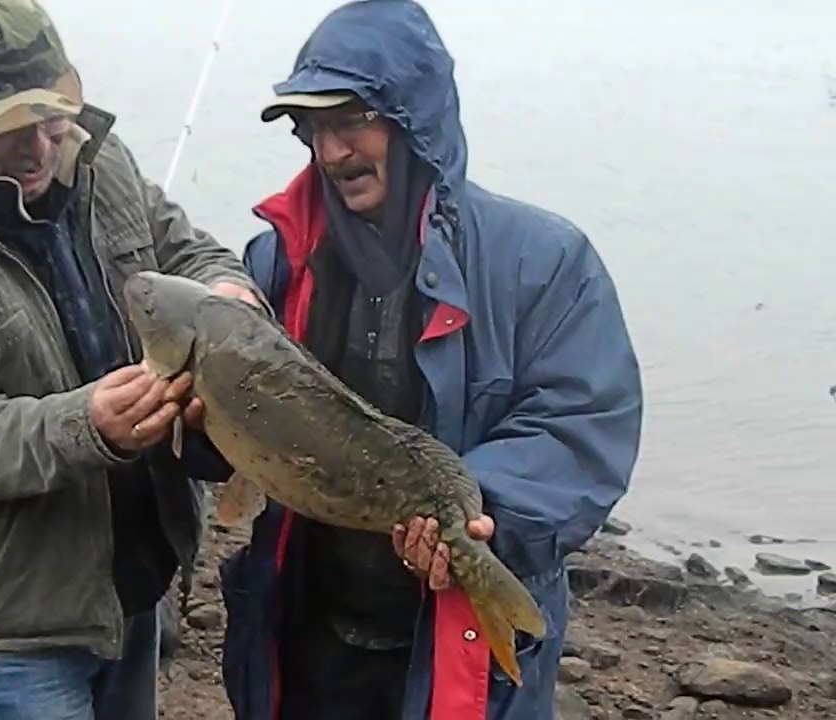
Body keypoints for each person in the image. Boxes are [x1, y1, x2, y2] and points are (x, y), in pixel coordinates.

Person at [213, 2, 644, 719]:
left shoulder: (543, 261)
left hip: (449, 645)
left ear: (414, 120)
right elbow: (239, 444)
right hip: (306, 639)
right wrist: (189, 417)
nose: (331, 152)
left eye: (351, 120)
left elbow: (582, 427)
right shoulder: (274, 259)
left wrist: (477, 513)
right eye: (314, 129)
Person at [0, 1, 261, 718]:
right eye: (6, 130)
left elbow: (189, 252)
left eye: (52, 118)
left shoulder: (103, 165)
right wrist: (88, 425)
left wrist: (229, 293)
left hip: (135, 584)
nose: (37, 147)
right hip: (12, 626)